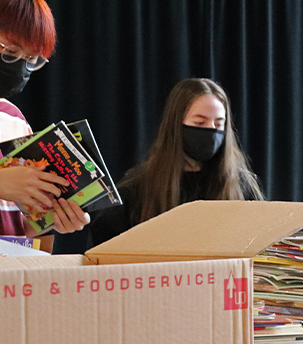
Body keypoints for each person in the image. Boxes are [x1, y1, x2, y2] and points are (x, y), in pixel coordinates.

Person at [54, 78, 264, 252]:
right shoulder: (136, 190)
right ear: (175, 125)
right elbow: (102, 254)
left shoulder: (242, 186)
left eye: (219, 124)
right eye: (199, 123)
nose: (211, 131)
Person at [0, 0, 89, 237]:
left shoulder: (14, 119)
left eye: (30, 59)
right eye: (10, 52)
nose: (19, 66)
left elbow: (18, 225)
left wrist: (54, 218)